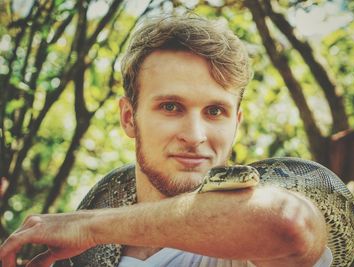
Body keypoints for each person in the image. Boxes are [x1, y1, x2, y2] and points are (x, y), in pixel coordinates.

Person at [0, 15, 332, 267]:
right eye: (170, 107)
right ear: (129, 118)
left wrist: (91, 227)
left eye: (215, 111)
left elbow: (289, 225)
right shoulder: (82, 248)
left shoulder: (245, 245)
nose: (195, 136)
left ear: (237, 123)